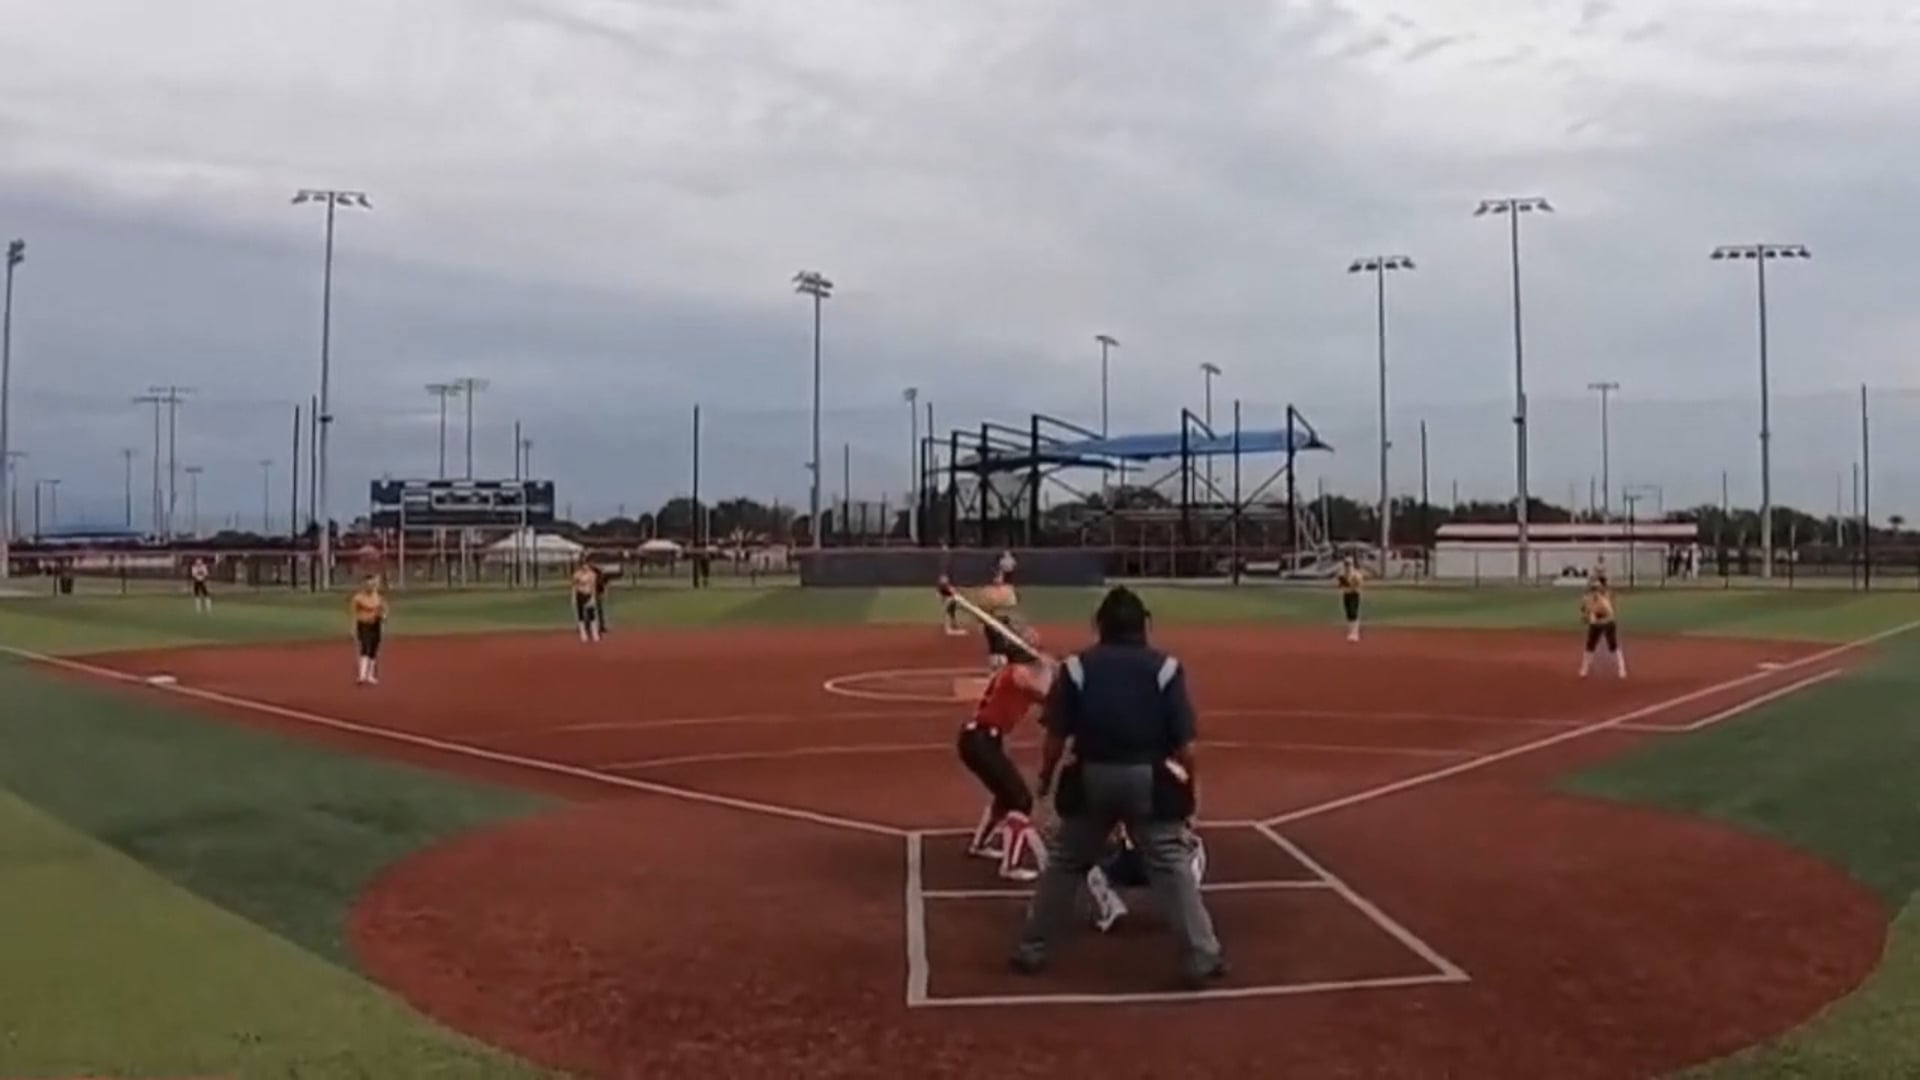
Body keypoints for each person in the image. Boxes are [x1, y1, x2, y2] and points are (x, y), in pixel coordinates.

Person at [1011, 586, 1226, 988]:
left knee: (1065, 862)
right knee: (1171, 864)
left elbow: (1056, 737)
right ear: (1143, 625)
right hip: (1148, 778)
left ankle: (1033, 948)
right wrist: (1190, 788)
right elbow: (1186, 746)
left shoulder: (1076, 668)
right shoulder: (1165, 668)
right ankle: (1202, 953)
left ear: (1100, 625)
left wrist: (1045, 777)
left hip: (1091, 776)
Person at [957, 618, 1054, 881]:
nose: (1036, 638)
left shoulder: (1018, 672)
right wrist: (1050, 669)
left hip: (980, 740)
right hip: (980, 741)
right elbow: (1048, 692)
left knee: (1006, 795)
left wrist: (1049, 669)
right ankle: (1010, 866)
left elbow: (1047, 702)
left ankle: (980, 845)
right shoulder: (1018, 673)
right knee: (1021, 800)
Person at [1086, 824, 1210, 933]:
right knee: (1193, 848)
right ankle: (1187, 902)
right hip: (1166, 868)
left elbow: (1109, 843)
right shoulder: (1168, 817)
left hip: (1133, 865)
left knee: (1095, 871)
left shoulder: (1123, 815)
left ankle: (1111, 909)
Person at [1579, 574, 1626, 678]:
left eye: (1597, 587)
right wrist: (1586, 617)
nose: (1594, 589)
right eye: (1593, 587)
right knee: (1590, 645)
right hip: (1595, 624)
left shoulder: (1605, 597)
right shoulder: (1587, 598)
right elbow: (1584, 612)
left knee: (1612, 646)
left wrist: (1594, 615)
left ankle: (1621, 667)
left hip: (1608, 622)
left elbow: (1608, 612)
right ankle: (1584, 668)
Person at [977, 569, 1021, 671]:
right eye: (995, 577)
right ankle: (996, 669)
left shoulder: (1007, 590)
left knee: (1001, 646)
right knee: (994, 646)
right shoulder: (987, 591)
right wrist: (981, 622)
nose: (997, 579)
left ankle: (1000, 669)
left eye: (999, 576)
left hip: (1003, 622)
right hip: (990, 621)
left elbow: (1012, 604)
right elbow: (982, 608)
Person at [350, 574, 388, 686]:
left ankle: (370, 675)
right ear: (364, 585)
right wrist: (353, 627)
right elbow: (353, 613)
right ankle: (362, 675)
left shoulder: (377, 596)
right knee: (365, 647)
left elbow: (384, 608)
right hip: (364, 625)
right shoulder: (358, 598)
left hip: (376, 624)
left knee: (373, 649)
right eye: (368, 584)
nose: (370, 586)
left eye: (372, 584)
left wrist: (384, 615)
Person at [571, 559, 601, 643]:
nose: (585, 566)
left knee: (591, 614)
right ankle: (583, 633)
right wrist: (573, 597)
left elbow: (593, 587)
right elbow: (574, 586)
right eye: (583, 565)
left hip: (588, 595)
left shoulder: (592, 574)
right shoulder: (577, 574)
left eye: (586, 565)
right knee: (581, 614)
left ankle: (594, 633)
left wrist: (593, 598)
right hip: (580, 594)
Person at [1335, 556, 1364, 642]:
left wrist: (1350, 584)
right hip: (1346, 594)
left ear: (1352, 564)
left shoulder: (1356, 574)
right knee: (1348, 613)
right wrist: (1341, 583)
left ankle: (1355, 633)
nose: (1347, 566)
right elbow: (1339, 585)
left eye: (1349, 564)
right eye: (1346, 564)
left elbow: (1359, 584)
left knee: (1353, 612)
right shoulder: (1342, 574)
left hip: (1354, 594)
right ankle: (1350, 632)